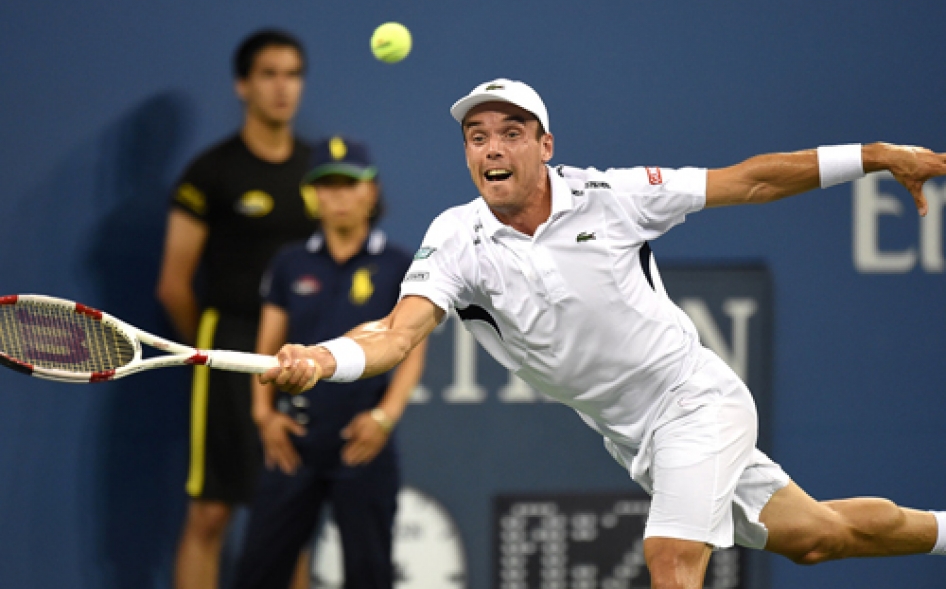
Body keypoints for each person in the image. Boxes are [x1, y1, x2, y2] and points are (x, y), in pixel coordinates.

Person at [260, 78, 946, 589]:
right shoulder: (456, 236)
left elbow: (753, 182)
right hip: (633, 439)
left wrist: (877, 153)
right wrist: (324, 359)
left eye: (511, 132)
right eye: (477, 137)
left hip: (697, 403)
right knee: (819, 538)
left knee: (671, 558)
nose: (492, 147)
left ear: (545, 146)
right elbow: (396, 332)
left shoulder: (615, 197)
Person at [157, 29, 317, 589]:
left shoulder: (319, 174)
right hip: (226, 342)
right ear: (243, 85)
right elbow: (174, 285)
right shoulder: (210, 173)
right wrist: (206, 355)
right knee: (212, 511)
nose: (282, 88)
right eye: (269, 74)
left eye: (292, 74)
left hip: (297, 354)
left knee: (289, 516)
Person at [231, 136, 427, 589]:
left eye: (349, 183)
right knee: (257, 574)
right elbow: (267, 351)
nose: (338, 195)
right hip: (294, 441)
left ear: (371, 192)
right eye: (327, 185)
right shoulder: (289, 264)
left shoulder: (399, 265)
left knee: (369, 576)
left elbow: (412, 353)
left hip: (362, 444)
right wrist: (265, 418)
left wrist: (383, 417)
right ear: (313, 195)